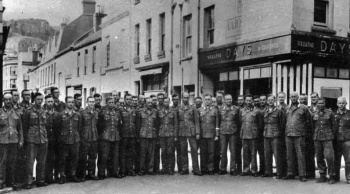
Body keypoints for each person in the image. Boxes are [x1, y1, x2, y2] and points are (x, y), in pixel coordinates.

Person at [283, 91, 311, 182]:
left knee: (300, 155)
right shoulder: (287, 108)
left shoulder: (303, 108)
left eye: (295, 97)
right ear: (290, 98)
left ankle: (302, 174)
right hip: (289, 134)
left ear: (298, 97)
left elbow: (308, 121)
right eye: (292, 97)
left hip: (299, 135)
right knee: (289, 155)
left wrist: (304, 132)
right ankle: (291, 173)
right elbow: (284, 121)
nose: (293, 98)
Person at [22, 93, 48, 189]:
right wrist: (25, 140)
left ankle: (40, 180)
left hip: (43, 139)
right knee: (30, 161)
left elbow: (45, 125)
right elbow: (25, 126)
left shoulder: (44, 111)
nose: (40, 101)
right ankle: (28, 181)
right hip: (32, 139)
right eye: (38, 99)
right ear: (34, 100)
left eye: (41, 99)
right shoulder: (28, 111)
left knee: (41, 161)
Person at [0, 93, 23, 190]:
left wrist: (21, 140)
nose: (8, 101)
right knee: (2, 162)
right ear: (3, 100)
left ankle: (11, 181)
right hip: (3, 141)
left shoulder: (16, 113)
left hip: (14, 140)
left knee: (12, 162)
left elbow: (20, 128)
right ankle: (1, 181)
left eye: (10, 99)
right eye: (6, 100)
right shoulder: (0, 112)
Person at [57, 96, 82, 184]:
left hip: (75, 139)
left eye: (72, 102)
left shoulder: (77, 114)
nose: (71, 104)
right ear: (66, 103)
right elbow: (58, 128)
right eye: (69, 102)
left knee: (74, 158)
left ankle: (72, 174)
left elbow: (79, 127)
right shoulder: (61, 114)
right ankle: (62, 175)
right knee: (62, 159)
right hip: (64, 139)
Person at [312, 97, 336, 184]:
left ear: (325, 103)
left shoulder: (330, 113)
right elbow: (312, 125)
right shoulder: (314, 113)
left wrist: (331, 135)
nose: (320, 105)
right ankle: (322, 175)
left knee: (329, 157)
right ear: (316, 104)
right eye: (319, 103)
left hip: (327, 138)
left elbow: (334, 126)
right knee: (319, 157)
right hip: (317, 137)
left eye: (322, 103)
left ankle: (332, 175)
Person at [97, 96, 122, 179]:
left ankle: (114, 172)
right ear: (106, 103)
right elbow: (99, 125)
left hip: (115, 136)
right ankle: (101, 173)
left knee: (115, 155)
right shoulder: (102, 112)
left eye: (113, 102)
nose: (111, 104)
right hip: (105, 136)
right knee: (104, 156)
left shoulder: (117, 112)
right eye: (110, 102)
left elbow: (119, 125)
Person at [178, 92, 202, 176]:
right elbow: (177, 122)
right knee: (183, 151)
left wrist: (198, 132)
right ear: (182, 98)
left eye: (187, 97)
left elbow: (197, 121)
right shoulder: (179, 108)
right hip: (182, 132)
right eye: (184, 97)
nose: (186, 99)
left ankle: (196, 169)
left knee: (194, 150)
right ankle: (185, 169)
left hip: (192, 132)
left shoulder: (193, 108)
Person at [240, 94, 263, 177]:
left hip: (253, 135)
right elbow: (240, 122)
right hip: (244, 134)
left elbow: (260, 124)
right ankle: (246, 169)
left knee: (253, 153)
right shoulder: (242, 110)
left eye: (250, 100)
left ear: (252, 101)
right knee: (245, 153)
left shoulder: (257, 111)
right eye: (247, 100)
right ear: (245, 101)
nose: (248, 102)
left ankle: (254, 170)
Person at [262, 95, 285, 179]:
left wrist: (280, 134)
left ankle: (279, 172)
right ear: (267, 101)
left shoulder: (279, 111)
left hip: (275, 135)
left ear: (275, 100)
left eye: (272, 100)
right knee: (267, 154)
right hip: (266, 134)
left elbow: (282, 124)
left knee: (277, 154)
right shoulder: (264, 111)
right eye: (269, 100)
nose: (270, 101)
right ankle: (268, 172)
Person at [77, 96, 99, 181]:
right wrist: (81, 137)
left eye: (93, 102)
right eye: (90, 102)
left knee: (93, 157)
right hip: (85, 138)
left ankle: (91, 173)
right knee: (83, 157)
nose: (92, 103)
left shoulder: (96, 113)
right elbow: (79, 127)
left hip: (94, 137)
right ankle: (82, 175)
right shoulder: (82, 113)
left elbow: (97, 125)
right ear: (87, 102)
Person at [218, 94, 240, 176]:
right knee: (223, 151)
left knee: (233, 151)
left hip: (233, 132)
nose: (229, 101)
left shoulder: (236, 109)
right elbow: (219, 121)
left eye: (230, 99)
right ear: (224, 100)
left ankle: (233, 169)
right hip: (223, 132)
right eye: (227, 99)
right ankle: (223, 168)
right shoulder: (220, 109)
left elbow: (238, 121)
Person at [138, 98, 159, 176]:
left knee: (151, 153)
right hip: (143, 135)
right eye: (148, 103)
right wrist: (138, 137)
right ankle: (142, 169)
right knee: (143, 153)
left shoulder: (155, 112)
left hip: (152, 135)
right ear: (145, 103)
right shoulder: (140, 112)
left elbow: (157, 124)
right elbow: (138, 125)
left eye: (151, 103)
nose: (150, 104)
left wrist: (156, 136)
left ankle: (150, 169)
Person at [199, 94, 219, 175]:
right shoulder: (199, 110)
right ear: (203, 100)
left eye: (209, 99)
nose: (207, 101)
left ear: (211, 100)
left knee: (211, 152)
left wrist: (217, 135)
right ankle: (203, 168)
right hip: (203, 134)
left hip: (211, 134)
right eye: (206, 99)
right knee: (203, 153)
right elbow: (198, 123)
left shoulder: (215, 110)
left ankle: (210, 168)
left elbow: (217, 124)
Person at [158, 97, 178, 175]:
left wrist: (175, 135)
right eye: (165, 102)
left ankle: (171, 169)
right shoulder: (159, 111)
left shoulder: (173, 111)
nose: (166, 103)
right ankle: (164, 168)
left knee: (171, 151)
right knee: (163, 152)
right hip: (162, 134)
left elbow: (176, 124)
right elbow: (157, 123)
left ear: (169, 102)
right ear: (163, 102)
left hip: (170, 134)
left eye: (167, 102)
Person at [120, 94, 138, 177]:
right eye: (127, 99)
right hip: (124, 135)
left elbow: (137, 123)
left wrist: (136, 135)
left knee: (131, 153)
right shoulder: (121, 110)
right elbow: (119, 124)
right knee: (123, 154)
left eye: (130, 99)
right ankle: (123, 171)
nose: (129, 101)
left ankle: (130, 170)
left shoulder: (135, 110)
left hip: (132, 134)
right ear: (124, 100)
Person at [44, 95, 60, 184]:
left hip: (55, 139)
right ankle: (47, 177)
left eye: (51, 102)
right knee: (47, 159)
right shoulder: (43, 113)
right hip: (46, 139)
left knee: (55, 158)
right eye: (48, 101)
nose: (50, 103)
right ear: (45, 102)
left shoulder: (57, 114)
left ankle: (56, 176)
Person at [334, 96, 350, 184]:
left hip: (347, 140)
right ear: (337, 104)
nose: (341, 105)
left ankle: (349, 177)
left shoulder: (349, 113)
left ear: (346, 103)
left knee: (348, 160)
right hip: (336, 140)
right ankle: (336, 177)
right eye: (339, 103)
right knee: (336, 160)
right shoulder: (333, 114)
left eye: (343, 103)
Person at [154, 93, 165, 174]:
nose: (160, 99)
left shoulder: (166, 107)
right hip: (156, 133)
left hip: (164, 132)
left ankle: (164, 168)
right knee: (156, 152)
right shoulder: (155, 108)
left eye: (162, 98)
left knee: (164, 151)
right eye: (159, 98)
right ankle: (156, 168)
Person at [214, 91, 224, 174]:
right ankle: (215, 167)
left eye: (220, 97)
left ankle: (222, 167)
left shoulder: (225, 107)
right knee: (215, 150)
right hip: (214, 132)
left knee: (222, 151)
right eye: (217, 97)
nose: (219, 98)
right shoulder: (213, 107)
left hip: (223, 131)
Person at [172, 94, 182, 173]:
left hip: (180, 133)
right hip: (172, 133)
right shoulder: (170, 109)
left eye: (177, 99)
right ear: (172, 100)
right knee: (171, 151)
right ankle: (171, 168)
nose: (176, 100)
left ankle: (180, 168)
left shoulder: (181, 108)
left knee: (180, 152)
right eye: (174, 99)